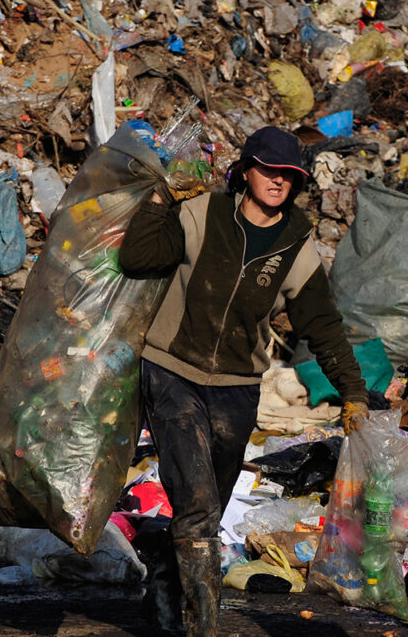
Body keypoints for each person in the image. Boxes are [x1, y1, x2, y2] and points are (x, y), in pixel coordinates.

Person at [119, 126, 368, 636]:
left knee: (205, 512)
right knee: (197, 501)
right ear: (246, 170)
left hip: (236, 385)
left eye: (289, 176)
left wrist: (354, 393)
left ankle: (163, 590)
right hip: (172, 370)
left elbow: (322, 326)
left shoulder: (296, 249)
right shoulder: (201, 213)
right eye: (270, 171)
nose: (278, 182)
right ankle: (203, 625)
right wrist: (162, 198)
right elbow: (137, 257)